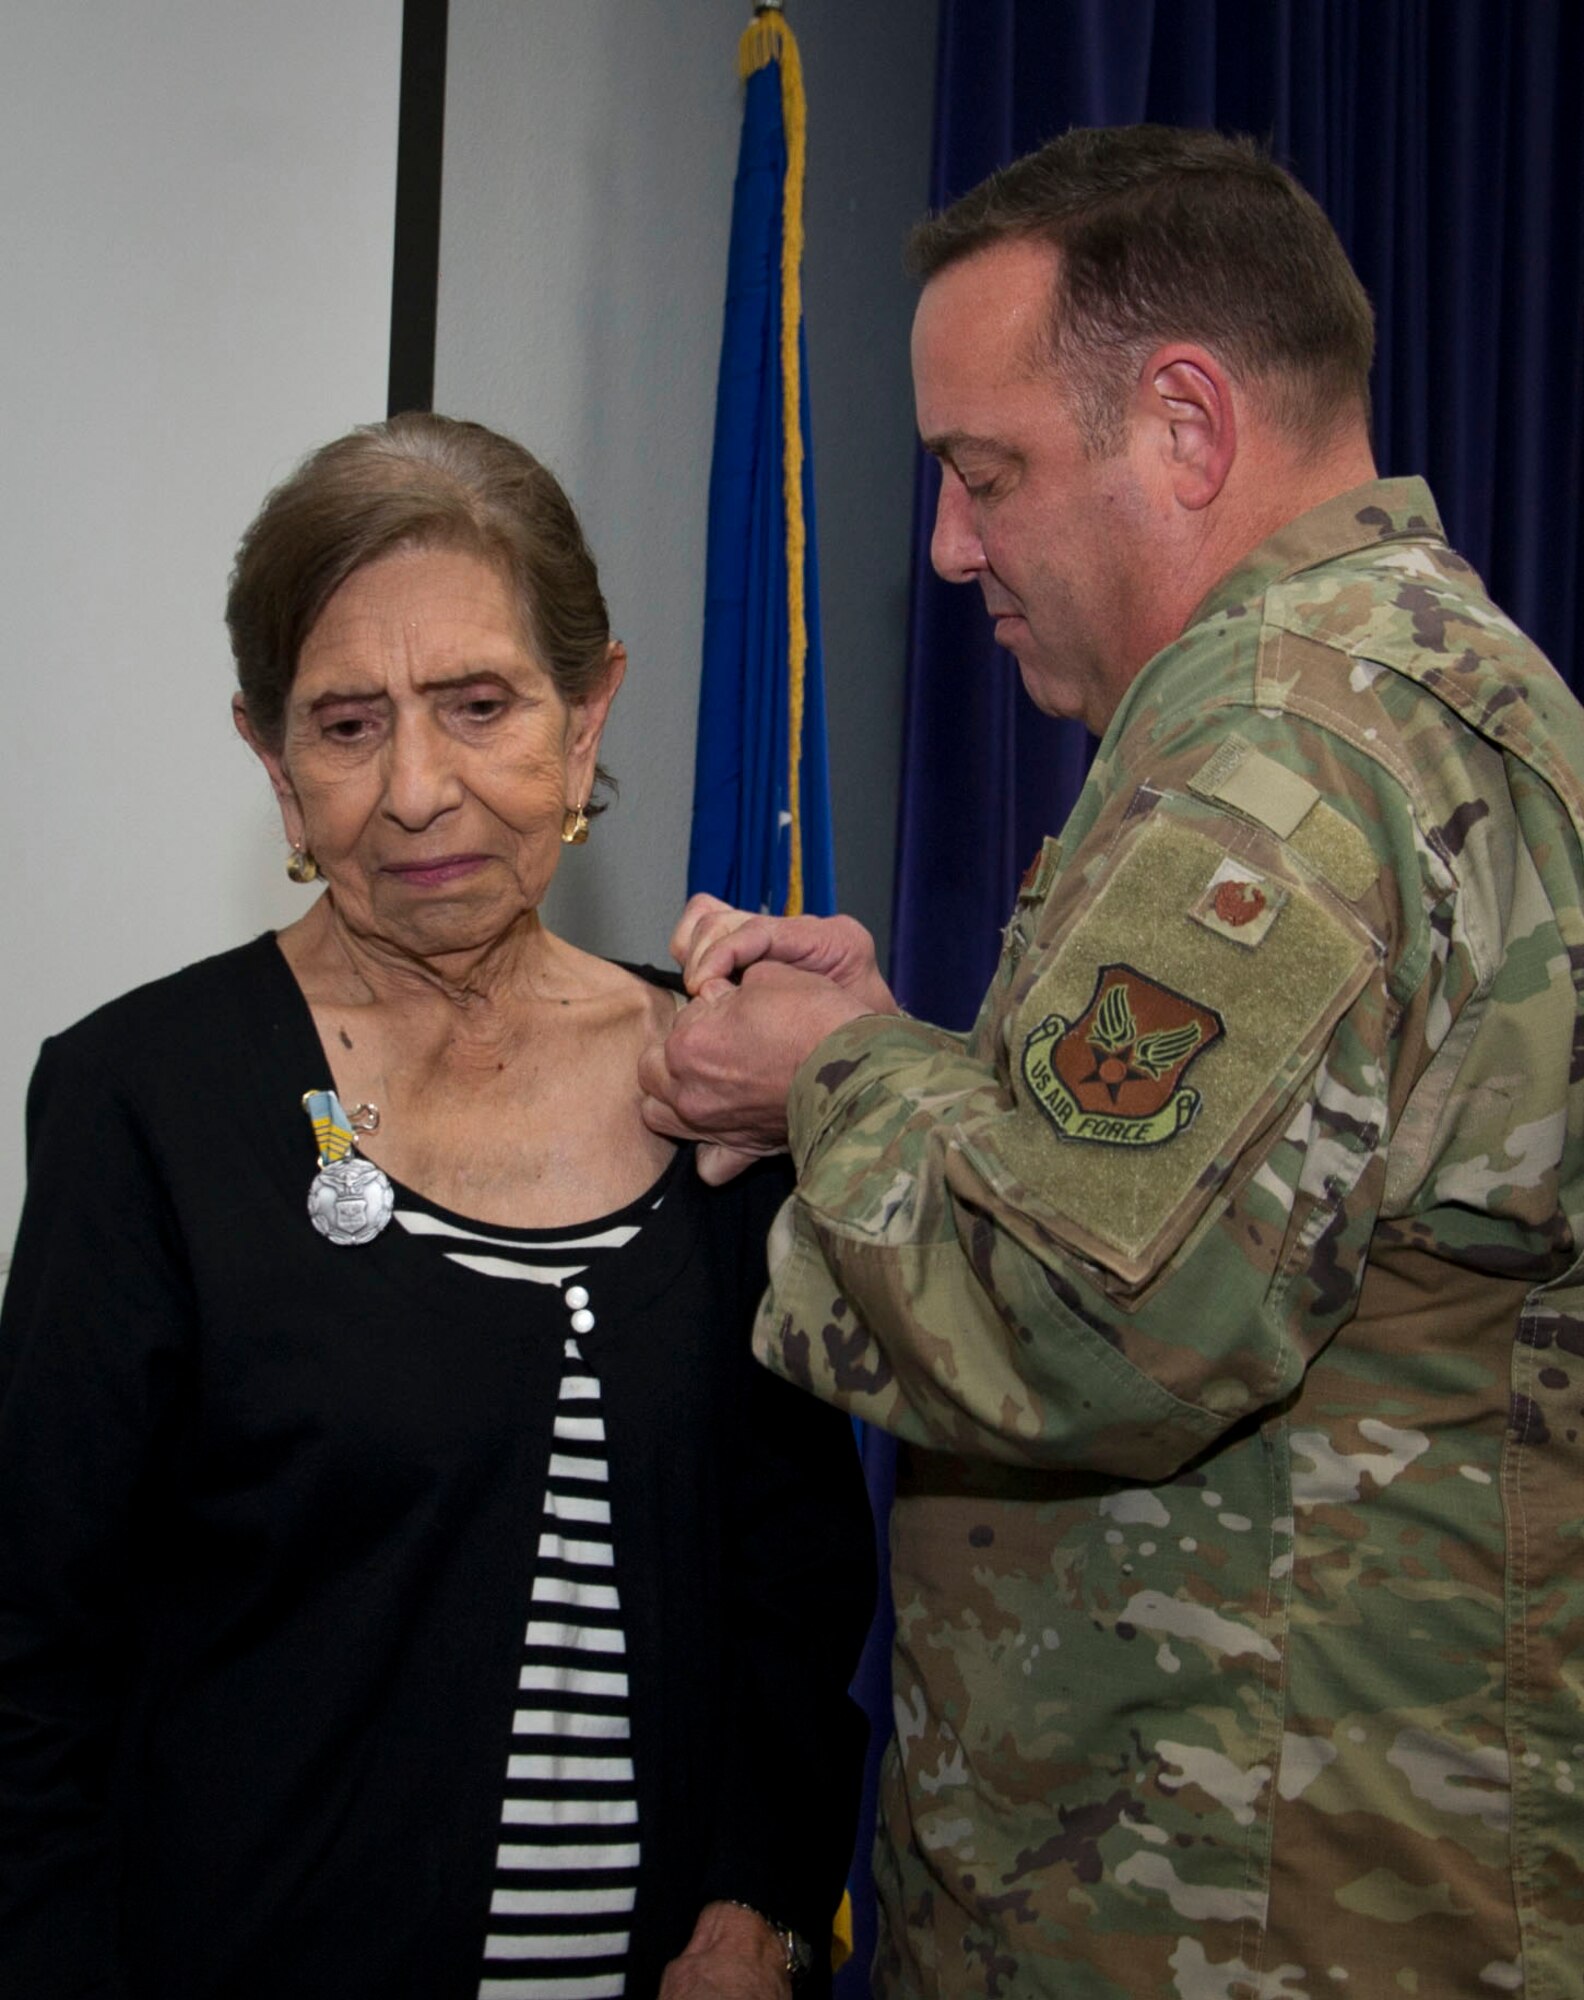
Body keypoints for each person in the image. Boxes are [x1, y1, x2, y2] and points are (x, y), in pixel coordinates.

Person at [639, 126, 1584, 1996]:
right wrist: (910, 1045)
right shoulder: (1426, 683)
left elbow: (1072, 1310)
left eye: (987, 474)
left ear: (1185, 423)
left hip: (1238, 1904)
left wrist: (827, 1079)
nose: (949, 542)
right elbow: (1232, 1202)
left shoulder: (1283, 752)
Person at [0, 413, 873, 2000]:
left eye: (481, 707)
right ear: (271, 762)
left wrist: (755, 1903)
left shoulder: (725, 1087)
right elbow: (33, 1660)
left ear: (588, 713)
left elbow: (794, 1591)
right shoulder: (149, 1100)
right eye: (346, 727)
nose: (417, 791)